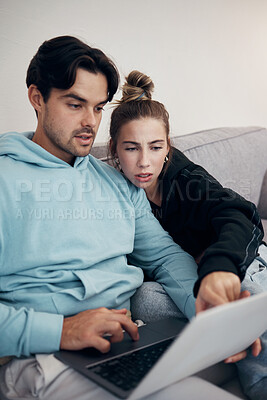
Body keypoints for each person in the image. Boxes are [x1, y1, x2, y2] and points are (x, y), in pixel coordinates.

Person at [0, 36, 242, 400]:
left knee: (244, 345)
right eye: (75, 104)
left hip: (126, 344)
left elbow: (163, 255)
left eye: (98, 108)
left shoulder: (116, 183)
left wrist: (205, 310)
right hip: (42, 357)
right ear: (37, 98)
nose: (89, 123)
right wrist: (61, 330)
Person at [109, 70, 267, 400]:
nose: (143, 162)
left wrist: (219, 266)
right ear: (114, 150)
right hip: (183, 281)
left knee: (245, 295)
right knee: (146, 300)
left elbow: (239, 216)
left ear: (168, 148)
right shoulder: (117, 194)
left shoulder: (187, 181)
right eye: (131, 148)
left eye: (154, 147)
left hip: (236, 260)